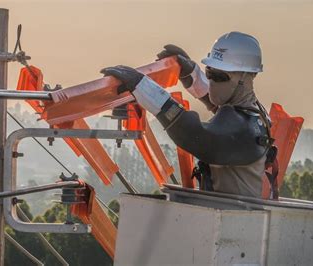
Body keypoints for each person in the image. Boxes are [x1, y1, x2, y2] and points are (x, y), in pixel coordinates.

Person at [101, 31, 276, 198]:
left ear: (245, 78)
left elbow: (194, 134)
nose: (212, 82)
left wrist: (141, 85)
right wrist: (192, 74)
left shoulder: (244, 129)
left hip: (234, 223)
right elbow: (219, 105)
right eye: (209, 73)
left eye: (219, 76)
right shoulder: (252, 112)